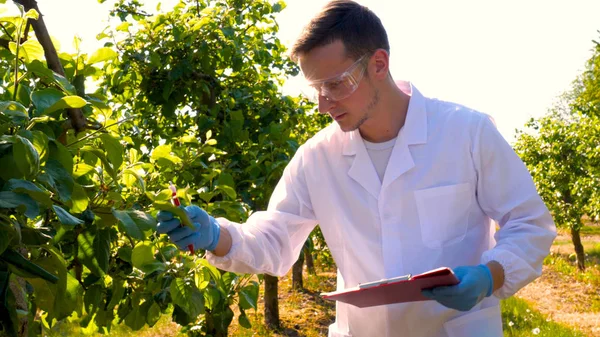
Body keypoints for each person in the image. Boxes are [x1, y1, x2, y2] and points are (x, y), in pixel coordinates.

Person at [157, 1, 557, 336]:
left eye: (334, 84)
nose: (323, 104)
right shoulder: (317, 157)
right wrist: (215, 235)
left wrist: (491, 275)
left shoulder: (467, 133)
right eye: (316, 89)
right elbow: (275, 243)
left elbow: (530, 224)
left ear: (379, 64)